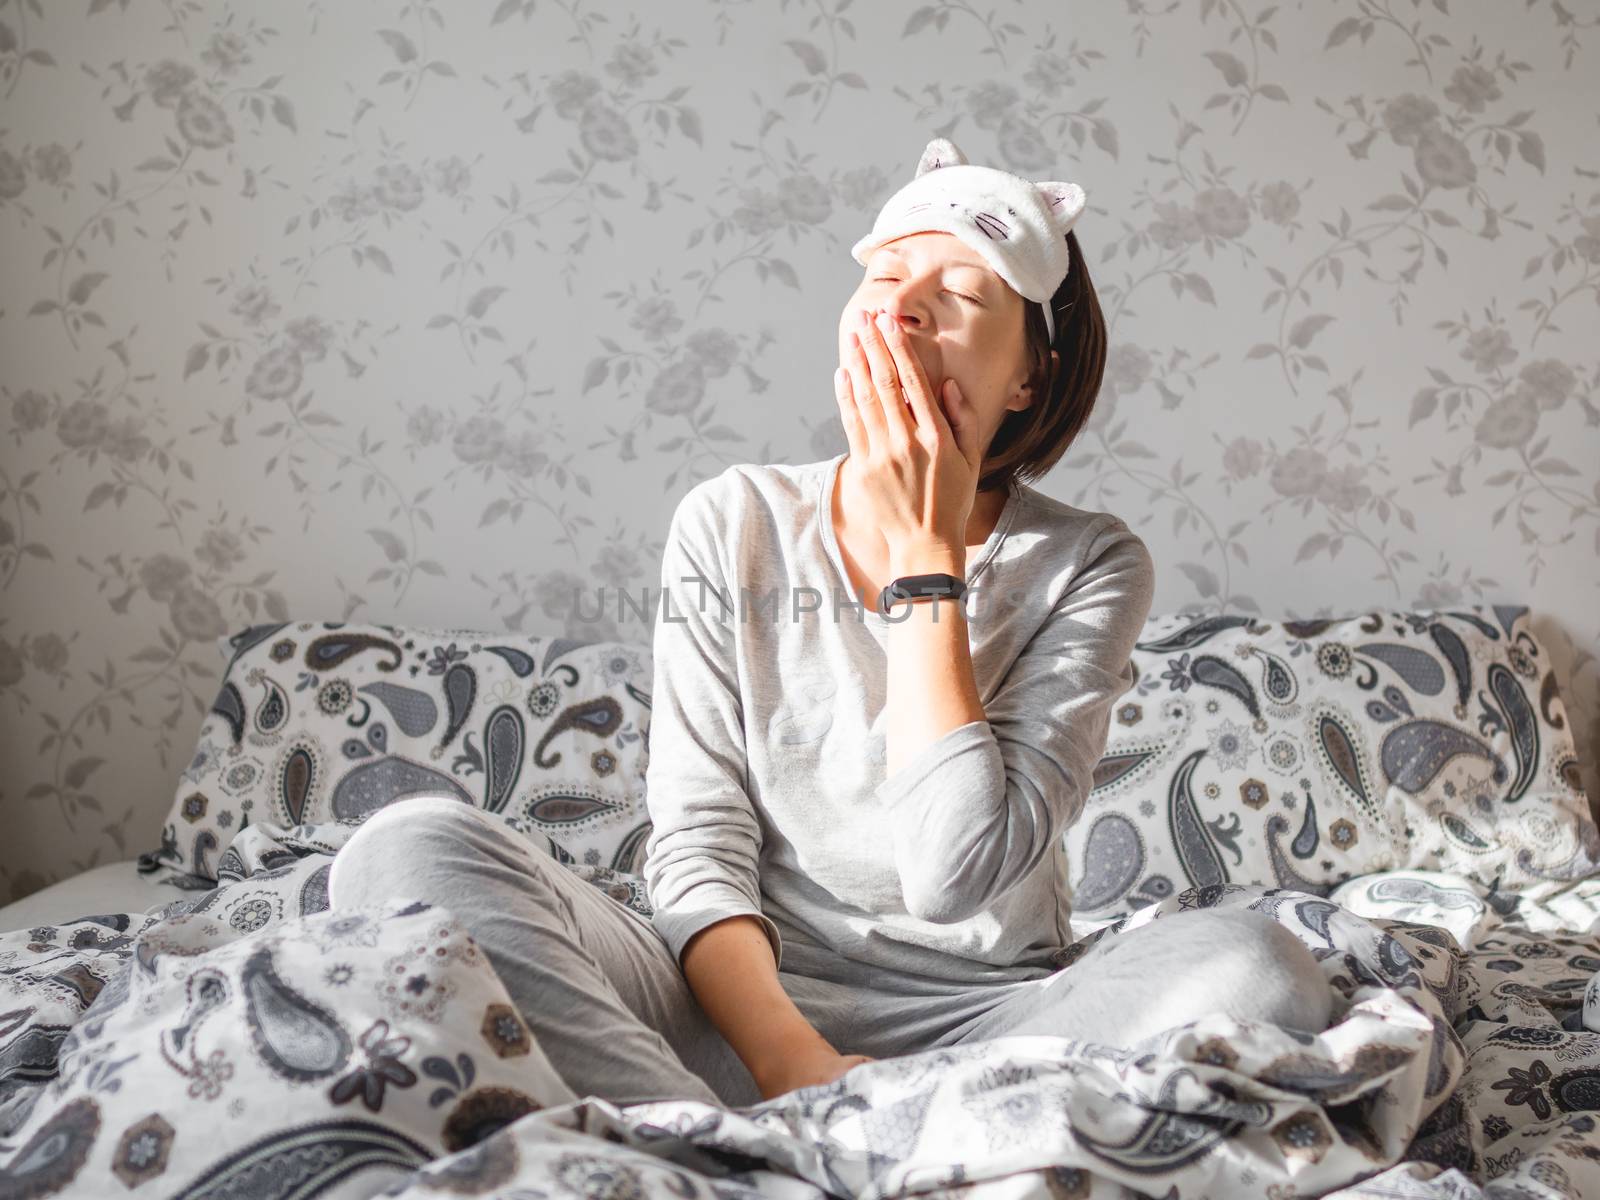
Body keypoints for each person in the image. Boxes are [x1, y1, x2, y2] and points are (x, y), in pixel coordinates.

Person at [329, 136, 1333, 1110]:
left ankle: (763, 1145)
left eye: (960, 295)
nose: (899, 307)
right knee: (404, 852)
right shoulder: (733, 520)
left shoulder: (1091, 564)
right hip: (728, 1023)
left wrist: (924, 567)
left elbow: (953, 878)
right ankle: (756, 1149)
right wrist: (787, 1060)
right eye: (884, 277)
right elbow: (698, 842)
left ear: (1027, 377)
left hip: (988, 1027)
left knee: (1259, 969)